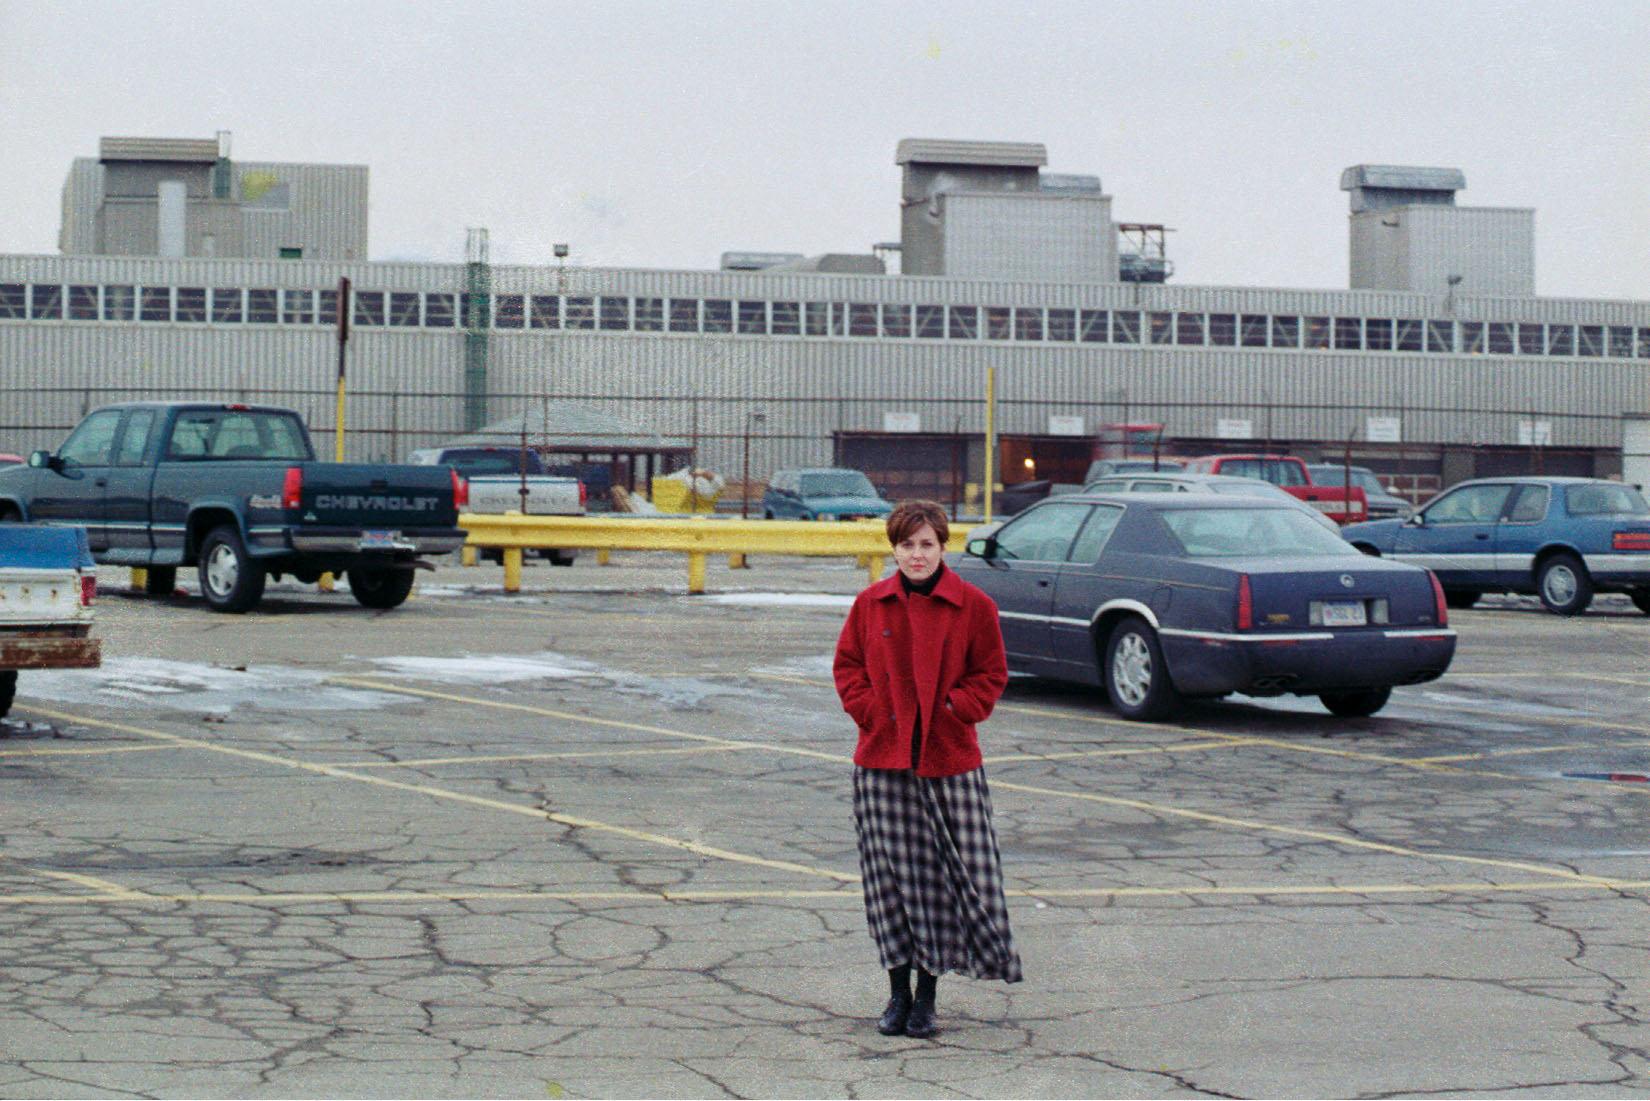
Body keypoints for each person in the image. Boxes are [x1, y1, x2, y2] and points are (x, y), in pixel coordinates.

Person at [833, 499, 1022, 1039]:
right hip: (882, 763)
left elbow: (990, 673)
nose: (916, 555)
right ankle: (896, 994)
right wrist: (870, 713)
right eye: (907, 545)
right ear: (893, 548)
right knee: (888, 883)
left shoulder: (973, 606)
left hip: (948, 763)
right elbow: (847, 667)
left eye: (927, 545)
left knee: (940, 884)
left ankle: (928, 998)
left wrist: (953, 709)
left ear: (943, 547)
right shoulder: (871, 604)